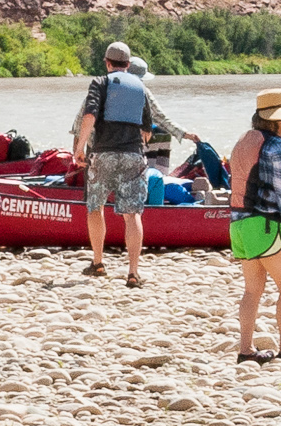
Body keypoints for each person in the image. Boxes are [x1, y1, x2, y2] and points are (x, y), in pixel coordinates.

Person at [72, 40, 192, 287]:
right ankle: (133, 272)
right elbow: (157, 117)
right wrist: (184, 133)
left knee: (95, 207)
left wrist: (79, 149)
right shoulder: (140, 88)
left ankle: (98, 263)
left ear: (107, 63)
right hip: (133, 156)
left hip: (102, 155)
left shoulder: (100, 83)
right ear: (128, 64)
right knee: (132, 214)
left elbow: (86, 117)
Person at [228, 88, 281, 365]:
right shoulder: (278, 147)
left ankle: (245, 351)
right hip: (265, 225)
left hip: (239, 225)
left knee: (252, 289)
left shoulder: (245, 140)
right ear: (274, 120)